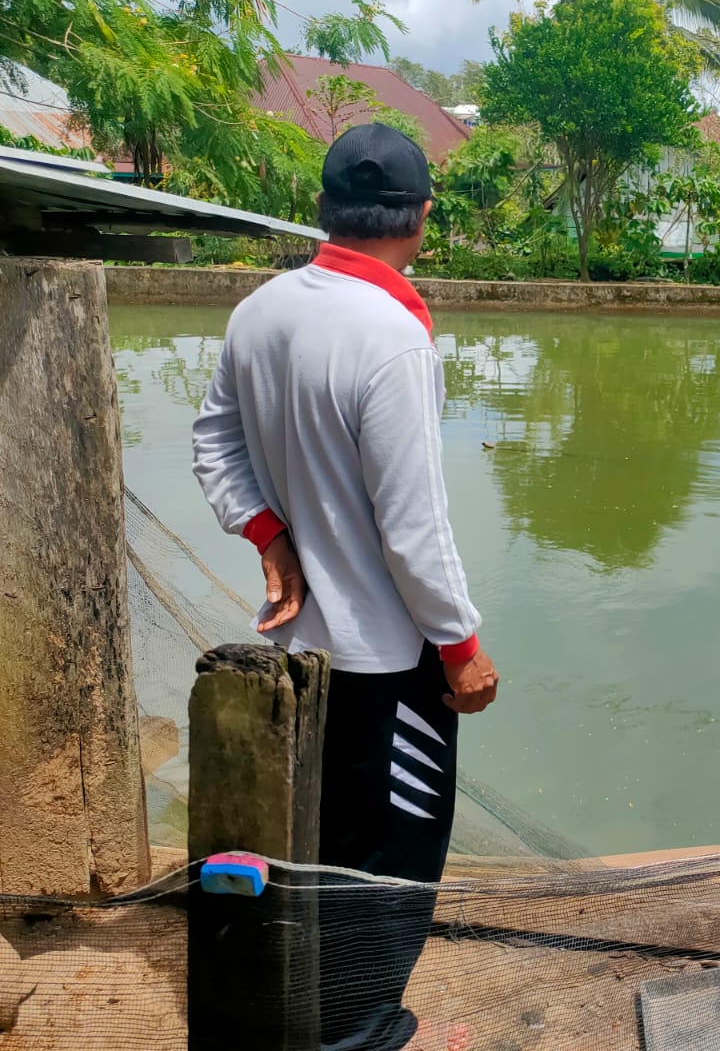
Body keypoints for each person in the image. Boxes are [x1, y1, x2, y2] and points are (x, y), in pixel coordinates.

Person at [193, 123, 499, 1051]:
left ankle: (329, 1016)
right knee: (391, 859)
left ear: (324, 206)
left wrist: (269, 536)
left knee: (317, 846)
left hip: (295, 653)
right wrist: (463, 649)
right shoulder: (393, 336)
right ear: (424, 216)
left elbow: (213, 439)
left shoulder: (262, 309)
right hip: (386, 661)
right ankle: (362, 1034)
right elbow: (415, 528)